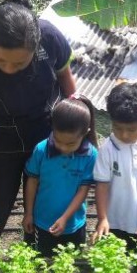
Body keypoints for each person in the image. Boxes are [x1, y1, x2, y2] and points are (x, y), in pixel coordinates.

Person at [0, 0, 77, 243]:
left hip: (45, 136)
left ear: (35, 48)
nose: (9, 69)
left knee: (49, 211)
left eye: (20, 63)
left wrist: (73, 133)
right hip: (0, 142)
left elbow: (68, 87)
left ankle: (41, 258)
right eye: (0, 60)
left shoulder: (50, 38)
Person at [91, 83, 137, 250]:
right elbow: (102, 186)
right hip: (114, 222)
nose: (124, 135)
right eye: (117, 128)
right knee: (114, 268)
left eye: (131, 130)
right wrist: (102, 218)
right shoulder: (107, 148)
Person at [23, 96, 98, 256]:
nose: (63, 147)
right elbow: (32, 181)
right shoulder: (42, 150)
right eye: (58, 141)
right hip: (42, 222)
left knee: (70, 268)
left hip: (74, 224)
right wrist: (28, 213)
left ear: (85, 133)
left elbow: (82, 191)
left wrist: (65, 218)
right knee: (43, 264)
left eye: (70, 144)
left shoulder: (90, 155)